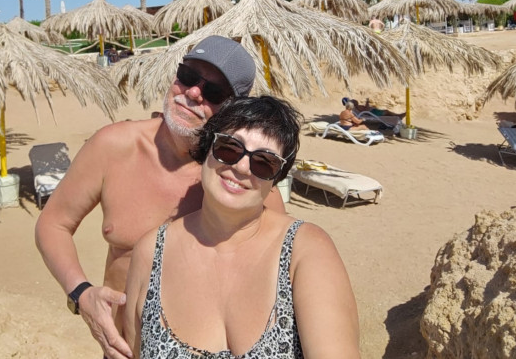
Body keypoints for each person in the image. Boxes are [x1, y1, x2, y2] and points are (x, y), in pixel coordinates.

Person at [35, 35, 285, 359]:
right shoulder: (113, 146)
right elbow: (53, 224)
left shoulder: (241, 181)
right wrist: (81, 295)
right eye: (188, 76)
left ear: (234, 109)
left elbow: (278, 271)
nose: (192, 93)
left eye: (213, 92)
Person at [123, 96, 360, 358]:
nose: (242, 167)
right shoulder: (150, 253)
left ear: (276, 179)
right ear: (207, 148)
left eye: (264, 163)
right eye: (229, 148)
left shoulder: (305, 250)